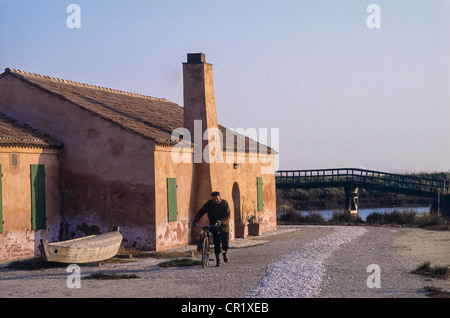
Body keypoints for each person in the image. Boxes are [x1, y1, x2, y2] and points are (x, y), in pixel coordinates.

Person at [194, 191, 230, 267]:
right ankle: (218, 261)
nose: (215, 200)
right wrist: (196, 220)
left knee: (225, 244)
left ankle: (225, 252)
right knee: (216, 245)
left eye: (216, 198)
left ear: (220, 197)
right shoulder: (209, 204)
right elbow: (201, 212)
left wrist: (221, 221)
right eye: (214, 199)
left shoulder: (225, 204)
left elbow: (228, 215)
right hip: (214, 227)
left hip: (224, 227)